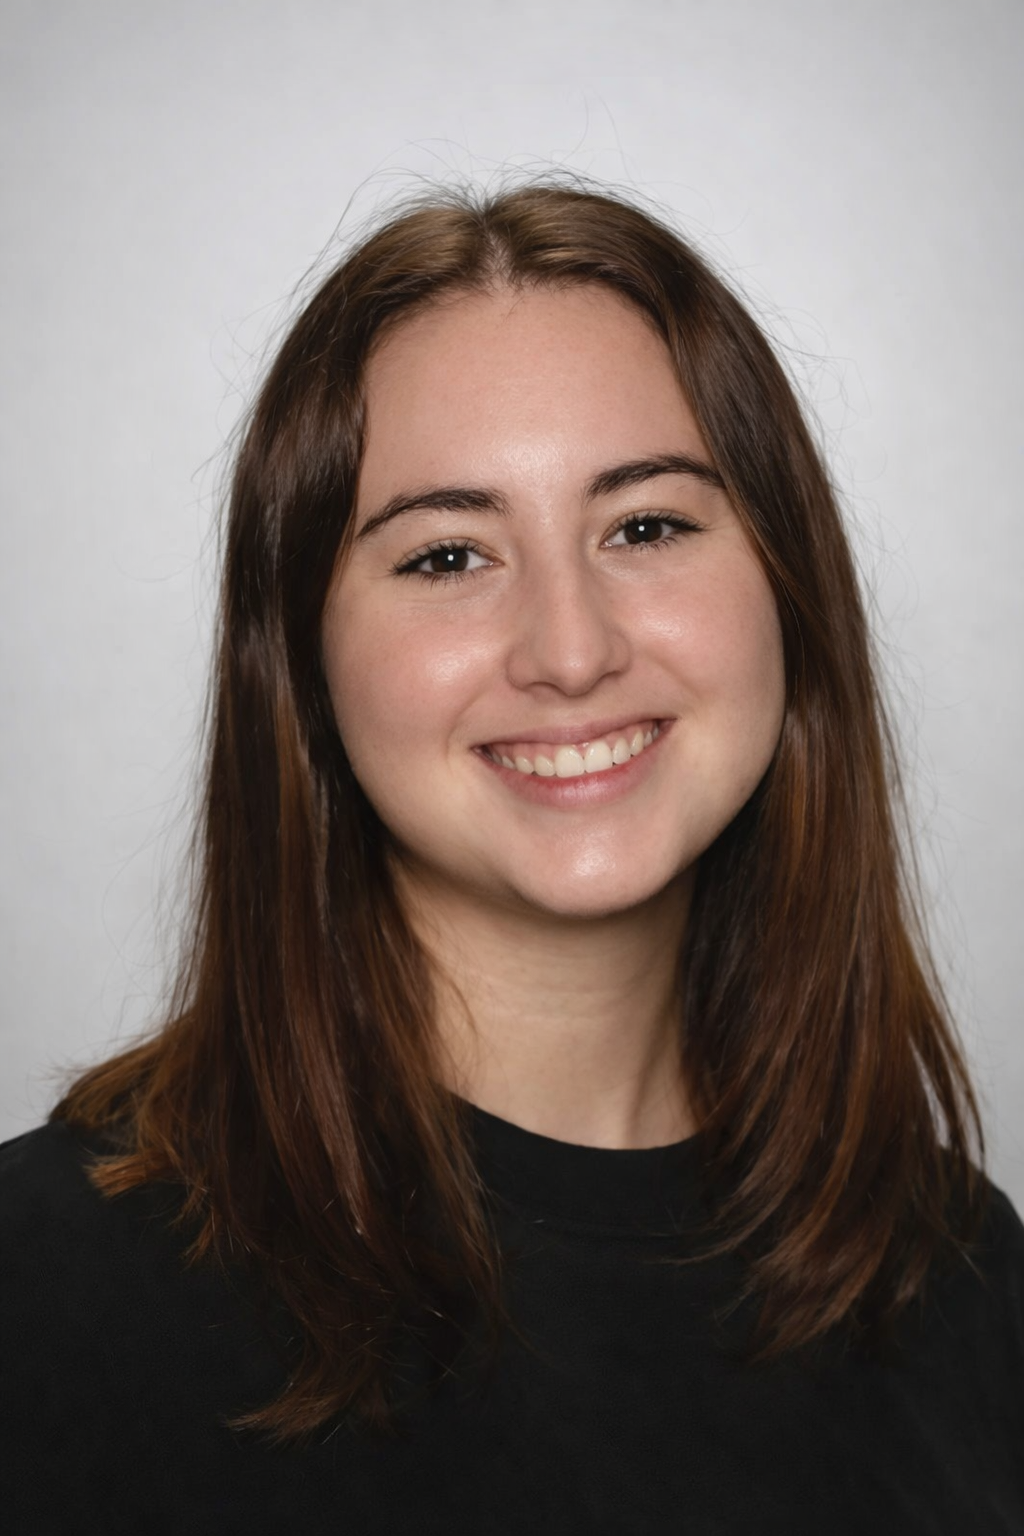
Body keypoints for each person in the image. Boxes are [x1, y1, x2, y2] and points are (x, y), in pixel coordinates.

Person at [1, 179, 1021, 1534]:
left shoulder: (962, 1280)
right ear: (300, 668)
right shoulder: (46, 1290)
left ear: (789, 590)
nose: (571, 649)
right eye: (446, 556)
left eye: (647, 526)